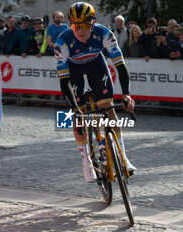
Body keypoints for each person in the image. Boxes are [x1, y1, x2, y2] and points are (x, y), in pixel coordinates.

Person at [55, 2, 136, 183]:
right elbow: (64, 80)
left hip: (95, 65)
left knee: (107, 107)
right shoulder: (62, 43)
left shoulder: (104, 34)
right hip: (73, 70)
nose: (79, 30)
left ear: (92, 24)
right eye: (75, 26)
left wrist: (127, 95)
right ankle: (86, 163)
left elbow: (120, 66)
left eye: (84, 25)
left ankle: (122, 155)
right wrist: (74, 108)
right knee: (79, 115)